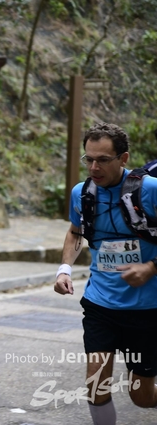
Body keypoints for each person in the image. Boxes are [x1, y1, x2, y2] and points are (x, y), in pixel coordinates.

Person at [54, 122, 157, 425]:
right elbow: (75, 232)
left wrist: (151, 267)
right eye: (88, 159)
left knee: (141, 397)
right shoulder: (82, 193)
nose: (93, 167)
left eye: (102, 160)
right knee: (96, 384)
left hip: (148, 309)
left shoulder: (150, 190)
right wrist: (64, 269)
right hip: (101, 303)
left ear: (123, 159)